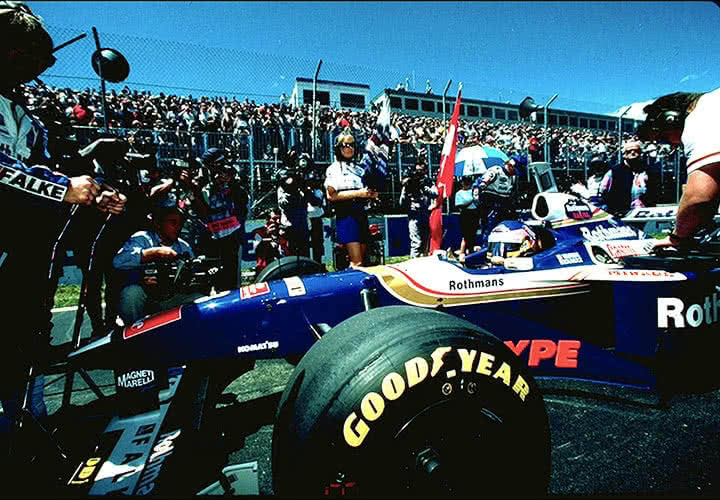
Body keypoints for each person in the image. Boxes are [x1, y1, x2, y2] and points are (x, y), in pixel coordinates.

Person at [0, 1, 126, 430]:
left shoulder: (25, 115)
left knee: (26, 336)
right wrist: (63, 188)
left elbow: (49, 170)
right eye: (27, 57)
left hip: (22, 250)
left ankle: (27, 427)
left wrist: (96, 192)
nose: (39, 68)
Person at [637, 90, 720, 248]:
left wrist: (678, 237)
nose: (672, 145)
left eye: (663, 138)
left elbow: (699, 196)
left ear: (671, 119)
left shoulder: (701, 115)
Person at [113, 193, 202, 326]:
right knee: (131, 294)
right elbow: (118, 262)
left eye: (180, 223)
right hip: (146, 297)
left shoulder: (184, 247)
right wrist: (153, 253)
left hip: (171, 298)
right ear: (158, 223)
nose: (178, 227)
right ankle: (134, 332)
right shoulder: (142, 238)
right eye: (173, 223)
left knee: (200, 300)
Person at [194, 147, 248, 291]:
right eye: (215, 164)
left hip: (231, 233)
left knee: (231, 276)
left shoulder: (231, 174)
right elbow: (200, 204)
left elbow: (242, 200)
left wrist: (230, 182)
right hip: (210, 234)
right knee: (210, 273)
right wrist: (211, 183)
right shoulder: (201, 178)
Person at [324, 129, 378, 268]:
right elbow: (331, 195)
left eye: (352, 145)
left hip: (361, 213)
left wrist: (370, 194)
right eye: (345, 145)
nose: (350, 148)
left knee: (363, 261)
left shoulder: (359, 169)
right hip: (346, 215)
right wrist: (358, 193)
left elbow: (363, 191)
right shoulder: (334, 169)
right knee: (357, 262)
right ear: (338, 148)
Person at [474, 153, 527, 247]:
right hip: (490, 204)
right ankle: (486, 247)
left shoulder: (513, 177)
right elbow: (479, 185)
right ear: (510, 165)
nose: (515, 173)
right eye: (515, 170)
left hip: (504, 205)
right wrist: (479, 192)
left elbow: (512, 194)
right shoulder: (495, 171)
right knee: (489, 229)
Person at [599, 140, 658, 216]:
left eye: (636, 151)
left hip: (644, 213)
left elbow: (654, 192)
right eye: (629, 151)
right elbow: (603, 191)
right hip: (620, 214)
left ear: (640, 154)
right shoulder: (614, 172)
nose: (633, 153)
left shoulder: (648, 171)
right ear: (624, 155)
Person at [399, 160, 438, 258]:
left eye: (422, 170)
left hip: (425, 213)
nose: (419, 173)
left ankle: (423, 260)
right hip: (414, 214)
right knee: (416, 242)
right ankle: (414, 261)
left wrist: (424, 188)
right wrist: (407, 189)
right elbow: (401, 202)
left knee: (425, 241)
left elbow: (435, 193)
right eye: (417, 170)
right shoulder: (409, 181)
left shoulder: (428, 181)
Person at [254, 208, 291, 274]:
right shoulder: (258, 232)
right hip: (265, 271)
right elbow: (257, 245)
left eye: (280, 218)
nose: (278, 221)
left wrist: (281, 238)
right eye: (274, 219)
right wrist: (267, 235)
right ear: (267, 220)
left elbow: (288, 254)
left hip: (284, 268)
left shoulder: (285, 232)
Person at [454, 175, 480, 260]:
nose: (466, 184)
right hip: (465, 214)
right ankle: (462, 252)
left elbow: (478, 202)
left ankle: (471, 252)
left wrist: (475, 197)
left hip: (474, 213)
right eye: (465, 182)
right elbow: (459, 205)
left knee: (473, 234)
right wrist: (471, 200)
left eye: (468, 182)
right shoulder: (459, 193)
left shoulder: (474, 191)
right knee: (466, 236)